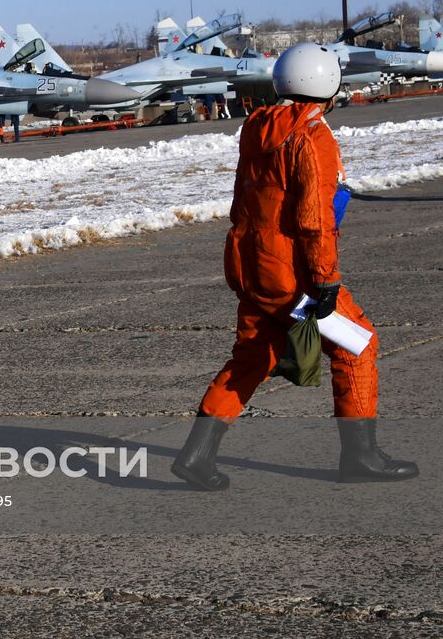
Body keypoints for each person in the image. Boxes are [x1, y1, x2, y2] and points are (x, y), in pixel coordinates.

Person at [172, 43, 418, 490]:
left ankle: (197, 454)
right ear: (328, 84)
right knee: (358, 345)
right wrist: (325, 282)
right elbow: (314, 221)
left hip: (252, 269)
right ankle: (360, 456)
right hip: (294, 281)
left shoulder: (257, 127)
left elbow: (242, 201)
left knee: (255, 354)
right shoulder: (312, 137)